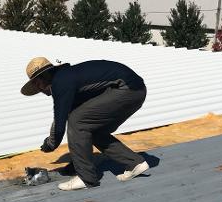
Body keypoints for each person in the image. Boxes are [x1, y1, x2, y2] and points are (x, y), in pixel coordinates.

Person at [21, 57, 150, 191]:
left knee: (77, 121)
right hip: (135, 90)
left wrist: (50, 144)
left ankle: (86, 178)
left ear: (43, 78)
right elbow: (63, 114)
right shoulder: (66, 78)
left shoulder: (61, 82)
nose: (39, 90)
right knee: (93, 130)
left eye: (37, 84)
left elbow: (60, 123)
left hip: (126, 88)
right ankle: (134, 163)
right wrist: (74, 165)